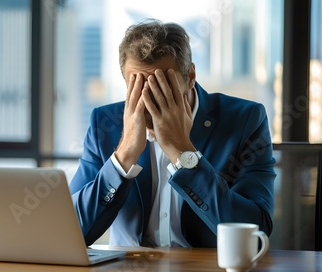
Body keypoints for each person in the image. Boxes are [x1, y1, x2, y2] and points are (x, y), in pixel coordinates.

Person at [69, 19, 276, 248]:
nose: (149, 102)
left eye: (162, 87)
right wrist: (124, 155)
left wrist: (184, 153)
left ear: (189, 77)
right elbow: (70, 230)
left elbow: (256, 233)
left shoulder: (245, 120)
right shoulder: (104, 124)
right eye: (138, 87)